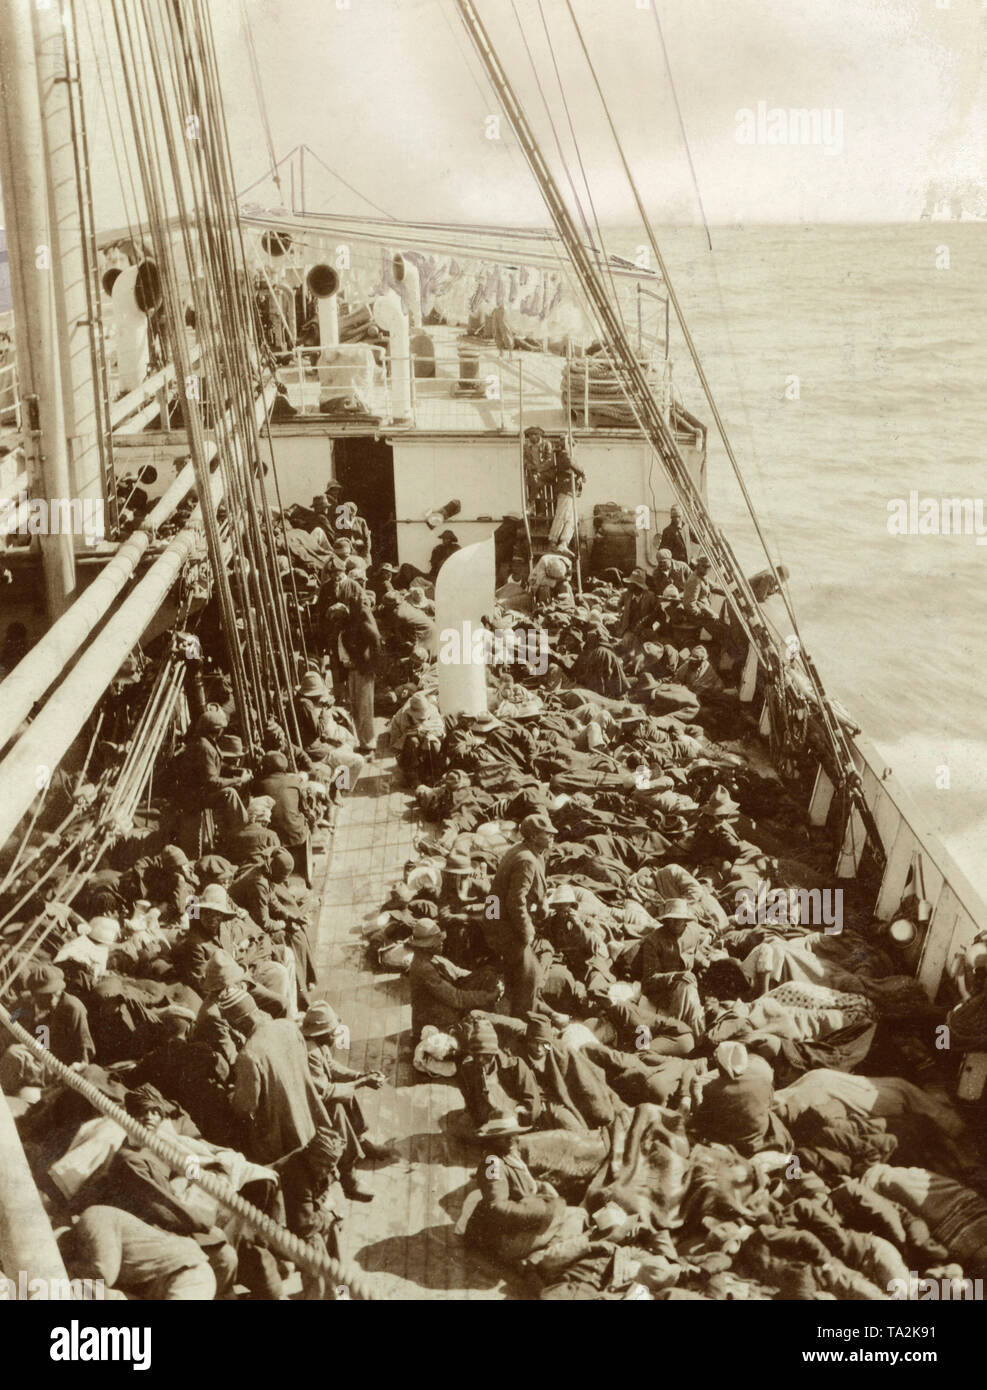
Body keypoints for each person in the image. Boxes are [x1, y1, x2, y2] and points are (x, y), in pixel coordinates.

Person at [226, 990, 329, 1164]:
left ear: (236, 1023)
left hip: (282, 1134)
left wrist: (232, 1095)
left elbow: (246, 1106)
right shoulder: (287, 1026)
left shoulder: (249, 1055)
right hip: (308, 1113)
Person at [62, 1205, 217, 1301]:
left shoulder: (93, 1217)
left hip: (188, 1274)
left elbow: (103, 1272)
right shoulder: (87, 1254)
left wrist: (67, 1275)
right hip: (159, 1288)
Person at [484, 813, 554, 1018]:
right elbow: (515, 902)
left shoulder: (523, 851)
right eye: (546, 834)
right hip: (503, 922)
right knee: (531, 975)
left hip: (496, 913)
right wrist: (527, 932)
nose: (552, 837)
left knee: (518, 967)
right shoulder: (527, 860)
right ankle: (522, 1019)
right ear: (533, 837)